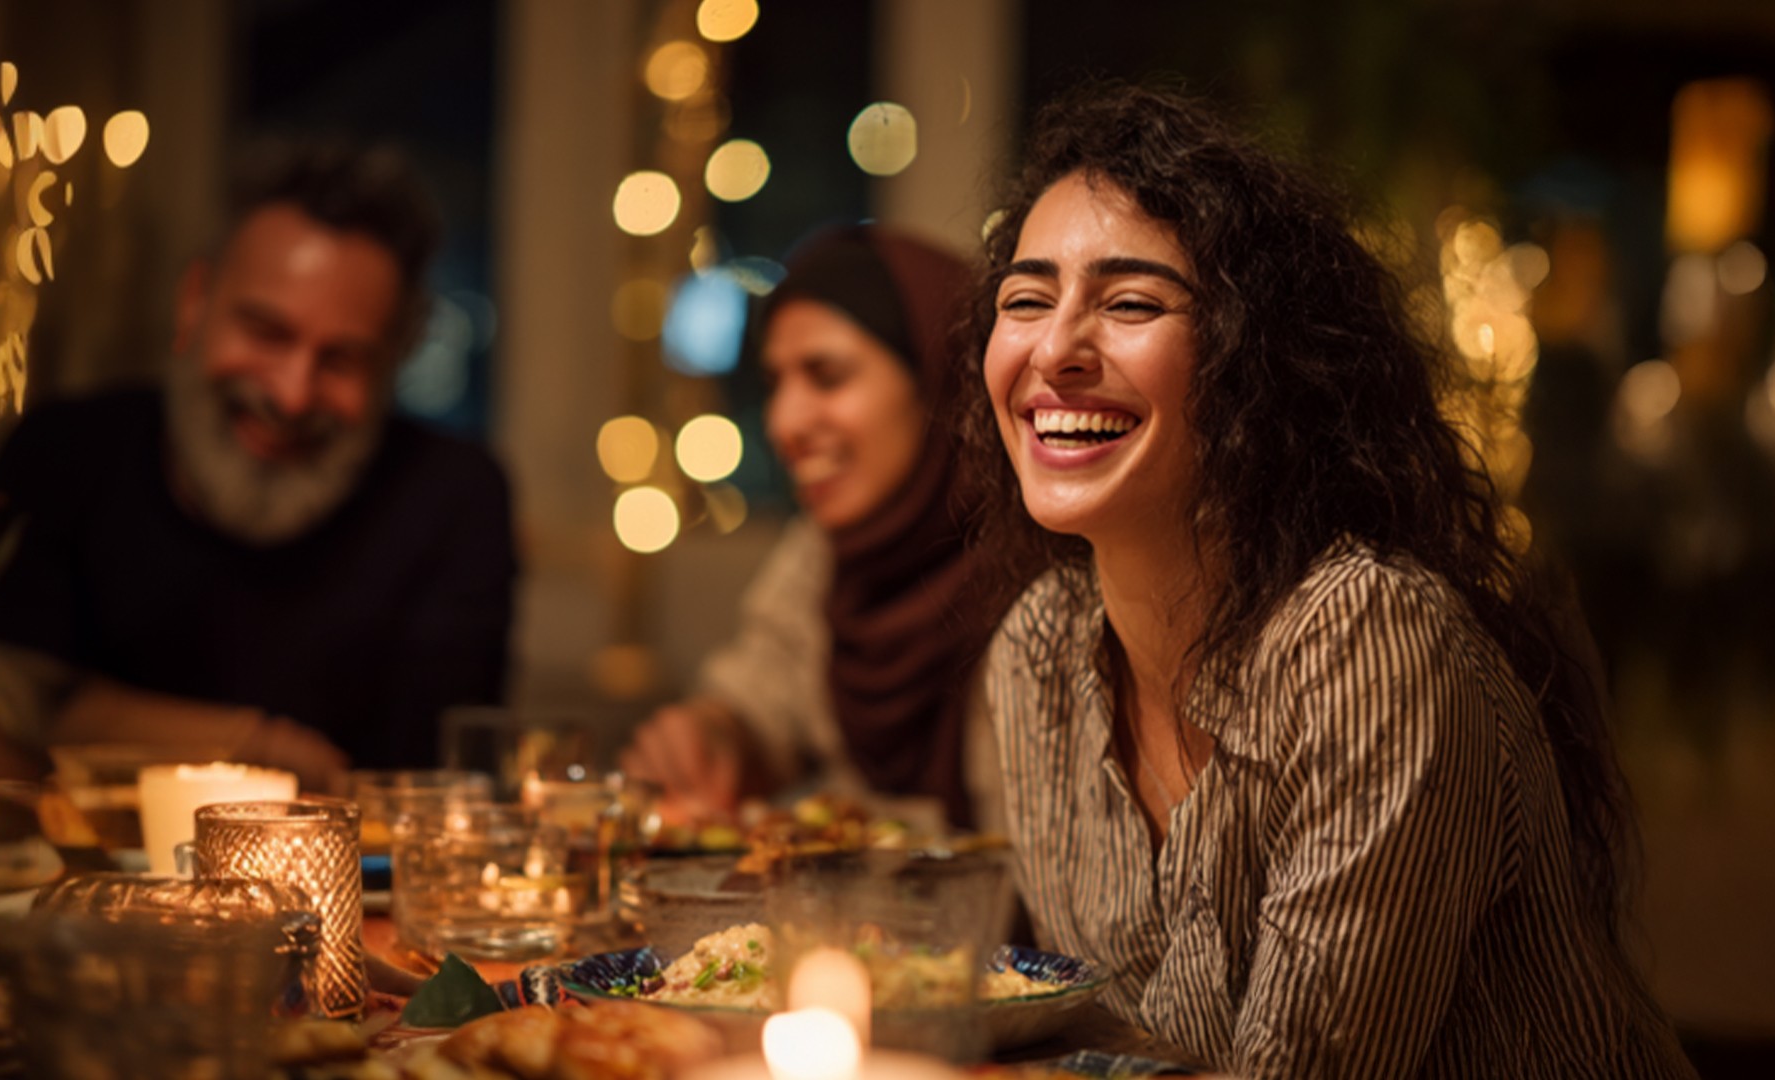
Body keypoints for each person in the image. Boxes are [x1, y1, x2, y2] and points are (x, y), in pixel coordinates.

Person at [967, 85, 1694, 1076]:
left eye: (1131, 303)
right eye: (1025, 300)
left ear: (1256, 361)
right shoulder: (1040, 652)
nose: (1054, 351)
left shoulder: (1366, 640)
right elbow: (1119, 1050)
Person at [0, 141, 518, 792]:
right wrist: (259, 746)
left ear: (395, 362)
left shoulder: (456, 498)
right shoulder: (64, 450)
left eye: (343, 360)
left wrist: (88, 719)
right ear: (194, 303)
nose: (292, 395)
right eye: (267, 332)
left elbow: (421, 793)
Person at [620, 226, 1006, 833]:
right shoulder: (825, 556)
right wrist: (715, 736)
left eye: (826, 376)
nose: (783, 423)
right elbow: (761, 695)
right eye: (776, 385)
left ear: (943, 382)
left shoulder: (1047, 571)